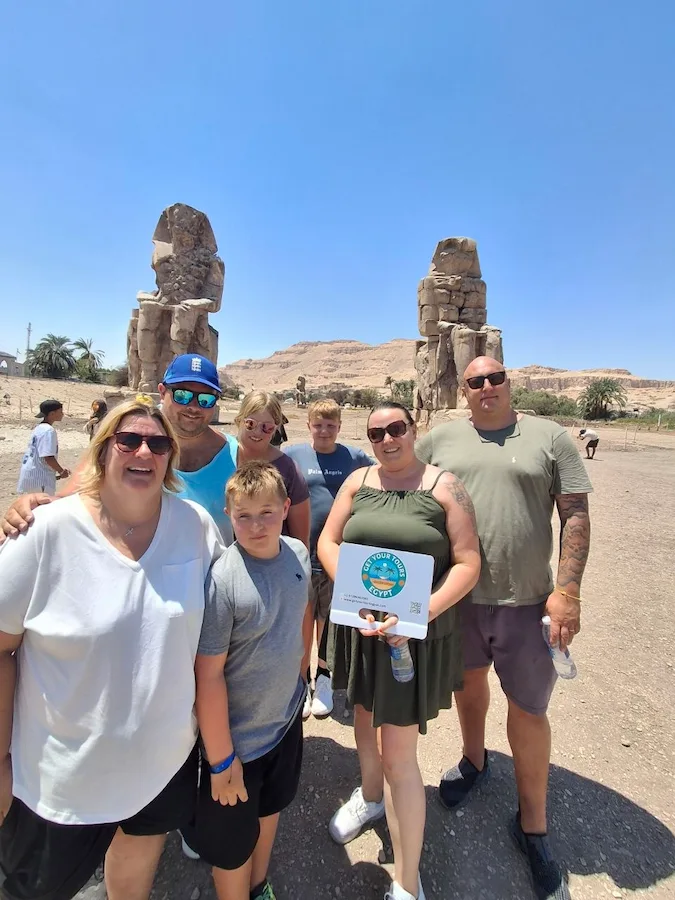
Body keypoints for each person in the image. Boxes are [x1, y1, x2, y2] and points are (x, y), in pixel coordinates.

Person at [0, 398, 224, 900]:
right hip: (61, 780)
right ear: (103, 450)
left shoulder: (195, 526)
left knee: (137, 860)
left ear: (170, 458)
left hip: (162, 763)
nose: (144, 451)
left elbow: (228, 616)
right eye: (129, 440)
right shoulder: (46, 531)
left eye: (158, 443)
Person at [416, 357, 592, 900]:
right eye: (475, 381)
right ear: (464, 389)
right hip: (459, 597)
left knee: (529, 708)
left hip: (528, 600)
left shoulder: (549, 437)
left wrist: (568, 591)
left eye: (496, 377)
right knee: (468, 686)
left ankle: (532, 824)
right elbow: (405, 499)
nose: (487, 386)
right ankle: (474, 760)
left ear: (509, 382)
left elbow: (575, 514)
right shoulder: (438, 440)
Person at [318, 402, 480, 900]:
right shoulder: (358, 481)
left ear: (413, 429)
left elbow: (468, 562)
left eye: (396, 429)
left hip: (410, 637)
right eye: (376, 433)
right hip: (363, 627)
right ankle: (370, 798)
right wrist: (353, 592)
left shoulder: (444, 487)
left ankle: (407, 883)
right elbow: (328, 541)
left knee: (399, 756)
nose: (387, 440)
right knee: (363, 721)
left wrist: (420, 613)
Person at [181, 461, 312, 900]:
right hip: (237, 744)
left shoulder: (298, 554)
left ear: (286, 508)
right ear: (228, 515)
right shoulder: (223, 581)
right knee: (231, 848)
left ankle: (259, 887)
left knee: (270, 810)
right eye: (244, 516)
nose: (256, 526)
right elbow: (209, 675)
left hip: (285, 722)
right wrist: (221, 762)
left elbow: (301, 613)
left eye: (267, 513)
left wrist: (302, 673)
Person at [2, 354, 237, 544]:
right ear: (162, 392)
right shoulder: (123, 438)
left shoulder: (236, 455)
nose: (193, 407)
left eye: (205, 399)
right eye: (182, 395)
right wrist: (32, 507)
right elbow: (72, 495)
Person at [286, 398, 372, 719]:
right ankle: (300, 680)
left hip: (338, 554)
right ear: (308, 425)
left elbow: (379, 479)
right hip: (300, 553)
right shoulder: (293, 455)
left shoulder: (354, 457)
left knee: (329, 618)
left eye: (331, 425)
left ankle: (323, 676)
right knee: (302, 618)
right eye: (318, 425)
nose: (324, 431)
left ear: (339, 427)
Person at [233, 392, 310, 547]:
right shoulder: (221, 457)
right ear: (239, 420)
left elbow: (301, 540)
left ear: (276, 428)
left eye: (267, 428)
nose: (257, 432)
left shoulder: (288, 469)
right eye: (250, 424)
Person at [16, 399, 70, 494]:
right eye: (60, 411)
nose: (62, 414)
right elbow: (48, 457)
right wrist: (61, 471)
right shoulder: (48, 430)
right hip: (40, 479)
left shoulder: (39, 428)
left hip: (31, 475)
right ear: (52, 414)